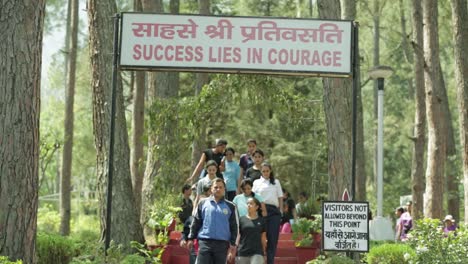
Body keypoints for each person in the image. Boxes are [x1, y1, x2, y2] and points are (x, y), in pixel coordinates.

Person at [187, 178, 238, 264]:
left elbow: (234, 226)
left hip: (222, 245)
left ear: (224, 189)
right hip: (205, 243)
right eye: (215, 187)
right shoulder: (202, 203)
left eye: (221, 187)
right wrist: (191, 238)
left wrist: (233, 244)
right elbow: (196, 222)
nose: (218, 189)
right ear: (211, 189)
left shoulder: (231, 206)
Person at [252, 163, 283, 264]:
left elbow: (280, 197)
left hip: (274, 212)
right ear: (261, 172)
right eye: (263, 171)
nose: (265, 173)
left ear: (270, 171)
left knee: (272, 239)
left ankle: (270, 262)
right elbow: (252, 197)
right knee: (259, 239)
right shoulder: (256, 182)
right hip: (260, 211)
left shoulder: (276, 182)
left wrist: (281, 211)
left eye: (267, 171)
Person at [236, 197, 267, 264]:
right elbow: (237, 236)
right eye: (247, 203)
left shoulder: (262, 221)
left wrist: (264, 253)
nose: (248, 205)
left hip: (257, 253)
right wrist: (233, 250)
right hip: (242, 253)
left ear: (257, 207)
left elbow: (263, 238)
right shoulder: (241, 220)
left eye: (251, 203)